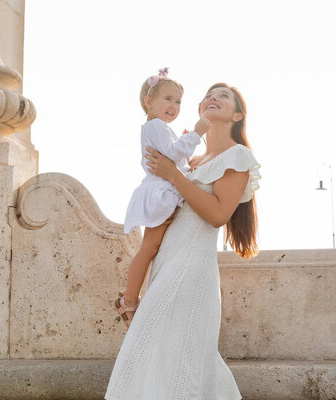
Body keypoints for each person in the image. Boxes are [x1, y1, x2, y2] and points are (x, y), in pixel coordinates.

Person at [105, 83, 260, 399]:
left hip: (192, 270)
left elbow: (217, 215)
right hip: (167, 266)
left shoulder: (238, 156)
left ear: (238, 114)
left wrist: (173, 176)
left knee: (182, 361)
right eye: (209, 95)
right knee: (156, 358)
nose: (213, 97)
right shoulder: (193, 160)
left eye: (223, 96)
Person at [118, 68, 211, 327]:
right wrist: (197, 132)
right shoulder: (156, 125)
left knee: (154, 248)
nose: (174, 105)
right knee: (150, 248)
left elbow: (173, 157)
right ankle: (129, 301)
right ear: (148, 101)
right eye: (168, 99)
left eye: (178, 101)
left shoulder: (158, 128)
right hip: (161, 193)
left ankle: (132, 299)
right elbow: (170, 156)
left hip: (165, 189)